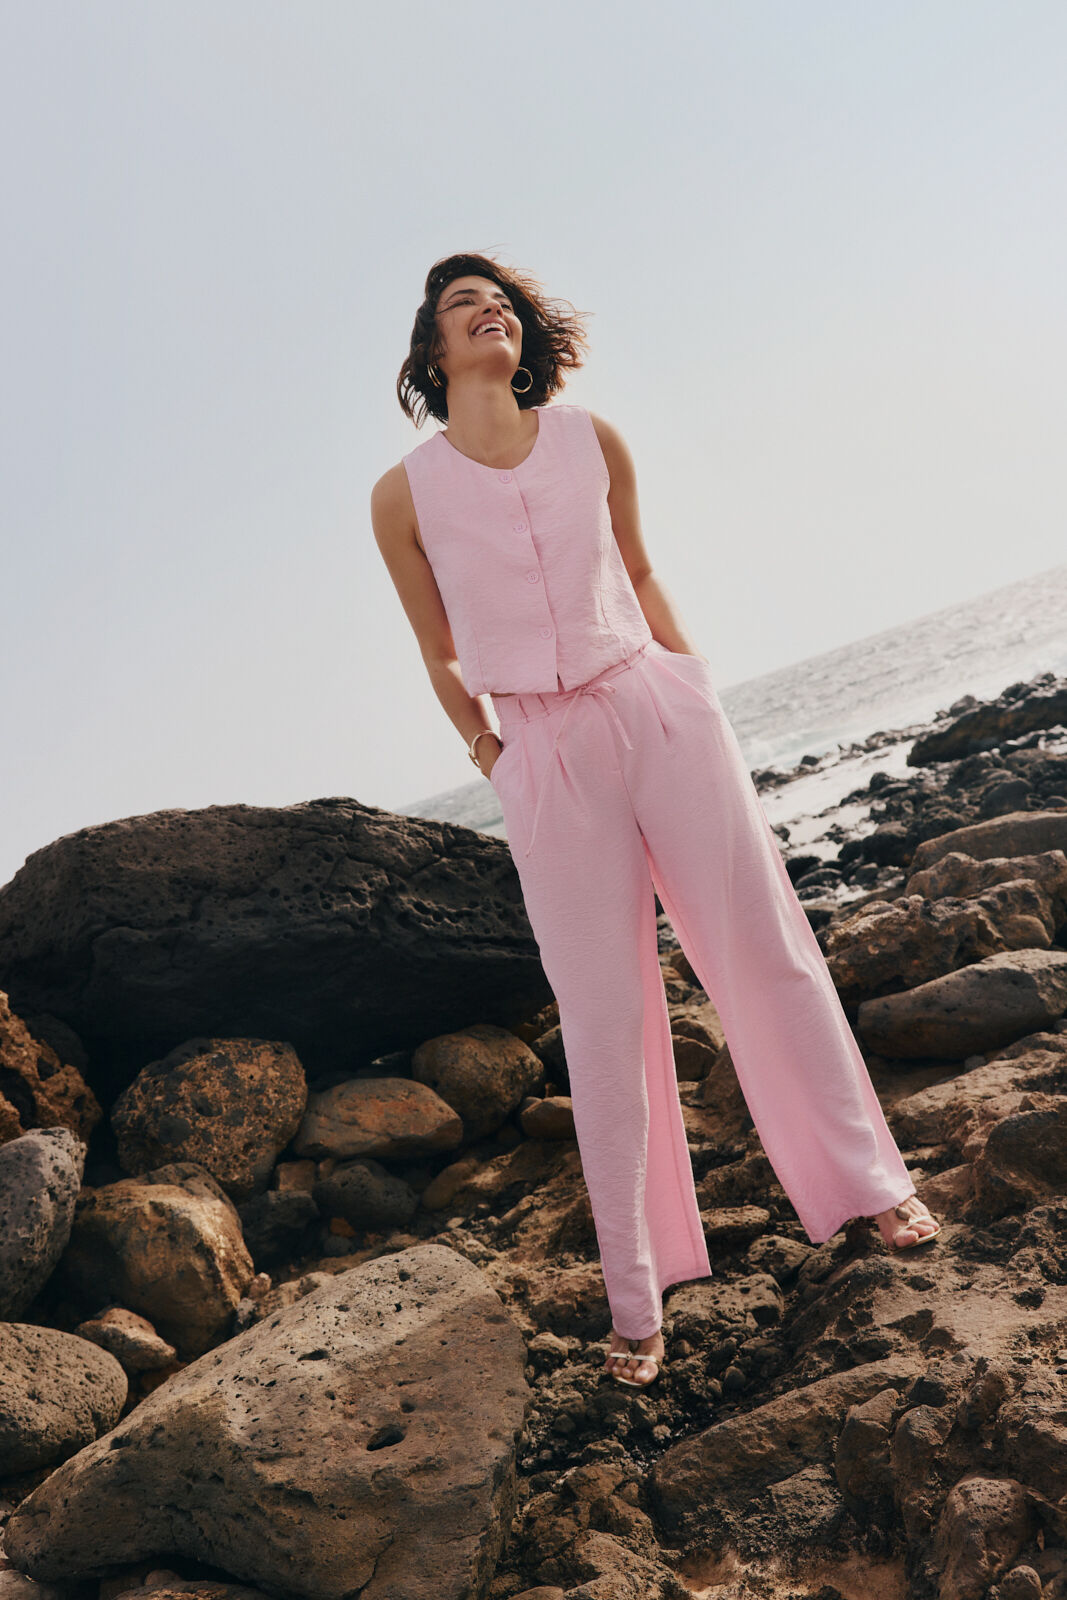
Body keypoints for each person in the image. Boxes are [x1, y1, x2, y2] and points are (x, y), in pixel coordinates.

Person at [370, 251, 940, 1392]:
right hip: (540, 750)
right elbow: (434, 646)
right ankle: (637, 1298)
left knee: (762, 951)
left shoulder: (591, 440)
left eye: (502, 302)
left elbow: (635, 567)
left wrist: (692, 684)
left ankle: (872, 1189)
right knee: (601, 1013)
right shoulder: (403, 492)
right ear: (433, 351)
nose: (489, 312)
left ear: (524, 338)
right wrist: (489, 750)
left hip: (655, 705)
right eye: (460, 306)